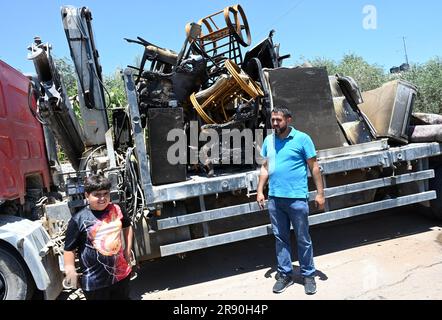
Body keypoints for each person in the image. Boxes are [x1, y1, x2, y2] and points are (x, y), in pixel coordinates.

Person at [257, 106, 325, 295]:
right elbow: (265, 167)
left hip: (296, 198)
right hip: (275, 199)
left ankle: (308, 275)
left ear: (288, 119)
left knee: (303, 238)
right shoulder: (269, 140)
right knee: (281, 238)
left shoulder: (302, 139)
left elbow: (314, 168)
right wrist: (260, 190)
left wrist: (320, 194)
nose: (275, 123)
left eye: (279, 120)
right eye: (273, 120)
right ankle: (285, 274)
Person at [63, 174, 134, 300]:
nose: (102, 198)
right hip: (94, 282)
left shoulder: (117, 209)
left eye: (105, 193)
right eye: (97, 194)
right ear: (87, 195)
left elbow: (128, 227)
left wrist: (128, 251)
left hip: (121, 275)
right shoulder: (78, 220)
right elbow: (69, 249)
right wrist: (70, 269)